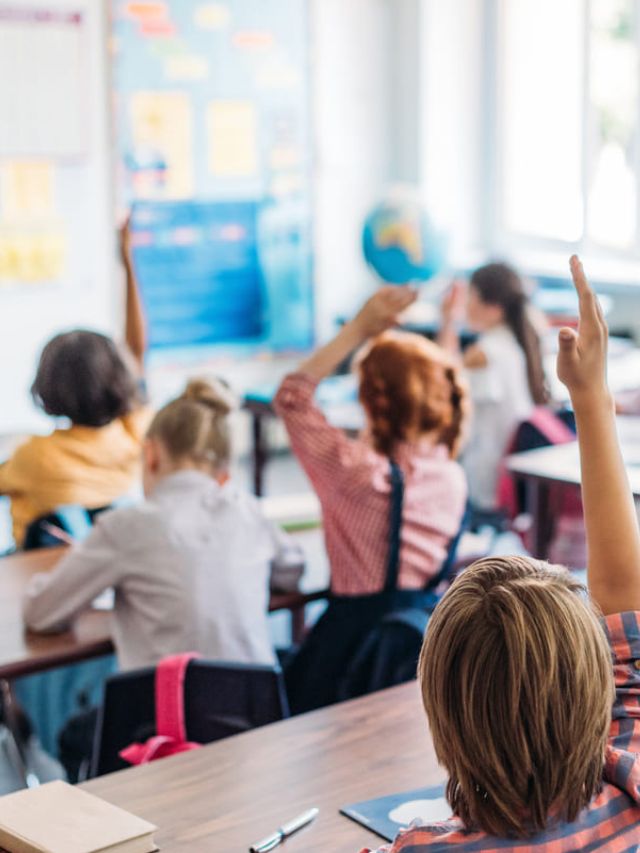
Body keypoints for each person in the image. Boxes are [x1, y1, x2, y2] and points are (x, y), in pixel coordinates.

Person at [362, 256, 640, 851]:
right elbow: (626, 600)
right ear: (597, 688)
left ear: (443, 718)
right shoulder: (631, 786)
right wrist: (591, 396)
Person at [274, 286, 468, 711]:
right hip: (428, 647)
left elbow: (291, 397)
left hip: (350, 649)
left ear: (372, 403)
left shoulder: (359, 474)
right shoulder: (452, 477)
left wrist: (358, 330)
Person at [23, 378, 301, 670]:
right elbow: (292, 572)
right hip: (259, 709)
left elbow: (41, 614)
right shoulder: (247, 511)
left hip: (161, 712)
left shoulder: (126, 527)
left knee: (65, 714)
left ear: (151, 454)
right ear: (224, 472)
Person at [0, 219, 150, 548]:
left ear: (46, 387)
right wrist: (127, 259)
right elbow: (138, 352)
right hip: (113, 579)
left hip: (42, 588)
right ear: (120, 379)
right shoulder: (133, 437)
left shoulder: (34, 457)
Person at [439, 263, 548, 514]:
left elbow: (440, 381)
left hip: (485, 484)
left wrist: (447, 321)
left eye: (471, 296)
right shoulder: (516, 343)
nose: (465, 305)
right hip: (506, 477)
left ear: (494, 307)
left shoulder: (486, 353)